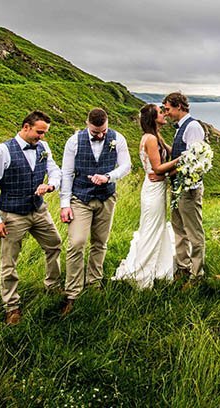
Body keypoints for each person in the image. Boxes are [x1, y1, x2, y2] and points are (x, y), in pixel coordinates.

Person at [0, 110, 63, 325]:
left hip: (39, 210)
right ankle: (12, 307)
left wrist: (50, 184)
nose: (42, 137)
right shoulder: (2, 151)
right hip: (13, 215)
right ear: (26, 127)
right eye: (39, 132)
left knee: (54, 245)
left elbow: (55, 171)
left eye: (44, 133)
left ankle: (52, 286)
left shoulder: (43, 147)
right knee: (9, 262)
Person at [59, 108, 132, 315]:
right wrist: (65, 204)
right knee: (76, 242)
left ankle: (94, 283)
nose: (100, 135)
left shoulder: (118, 138)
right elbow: (66, 173)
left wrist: (109, 176)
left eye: (103, 131)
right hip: (80, 198)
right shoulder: (73, 141)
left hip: (107, 197)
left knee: (100, 242)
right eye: (95, 132)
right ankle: (72, 292)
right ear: (87, 124)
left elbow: (126, 165)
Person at [113, 104, 177, 288]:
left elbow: (169, 153)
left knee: (157, 227)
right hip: (153, 189)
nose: (164, 114)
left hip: (157, 186)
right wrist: (181, 161)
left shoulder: (156, 136)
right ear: (153, 118)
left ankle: (158, 268)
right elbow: (157, 168)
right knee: (151, 229)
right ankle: (142, 272)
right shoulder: (149, 139)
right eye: (160, 112)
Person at [161, 91, 207, 281]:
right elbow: (181, 154)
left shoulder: (193, 126)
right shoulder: (181, 127)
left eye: (168, 109)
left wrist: (167, 172)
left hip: (189, 189)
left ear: (179, 106)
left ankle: (197, 274)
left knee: (194, 233)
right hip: (178, 188)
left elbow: (193, 160)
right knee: (179, 229)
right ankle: (183, 267)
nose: (166, 113)